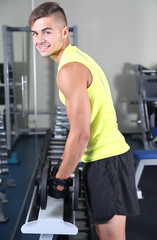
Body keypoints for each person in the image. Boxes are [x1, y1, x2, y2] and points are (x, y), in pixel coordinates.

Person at [28, 2, 140, 240]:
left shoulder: (69, 69)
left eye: (47, 31)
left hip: (106, 160)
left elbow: (80, 134)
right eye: (35, 33)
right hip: (105, 158)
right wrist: (63, 164)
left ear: (64, 32)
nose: (40, 40)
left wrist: (60, 178)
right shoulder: (76, 58)